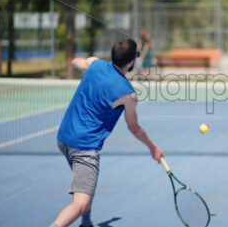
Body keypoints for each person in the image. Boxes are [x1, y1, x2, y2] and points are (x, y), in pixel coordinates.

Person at [50, 39, 165, 227]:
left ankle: (85, 224)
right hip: (84, 148)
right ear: (130, 63)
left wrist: (75, 61)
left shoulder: (95, 64)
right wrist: (153, 148)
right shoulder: (129, 94)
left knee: (87, 186)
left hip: (63, 138)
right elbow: (133, 127)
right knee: (81, 202)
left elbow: (79, 62)